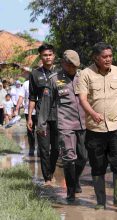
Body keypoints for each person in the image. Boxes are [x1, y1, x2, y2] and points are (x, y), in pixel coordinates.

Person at [76, 42, 117, 209]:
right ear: (96, 58)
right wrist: (93, 113)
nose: (108, 59)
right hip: (95, 128)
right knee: (98, 165)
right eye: (104, 57)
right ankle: (101, 201)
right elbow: (83, 99)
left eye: (110, 56)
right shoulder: (86, 74)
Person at [37, 50, 88, 202]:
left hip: (84, 123)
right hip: (65, 124)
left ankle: (75, 179)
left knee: (83, 157)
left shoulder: (84, 77)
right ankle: (70, 192)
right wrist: (41, 124)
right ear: (64, 64)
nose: (74, 69)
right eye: (71, 66)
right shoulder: (54, 79)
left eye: (76, 66)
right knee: (68, 157)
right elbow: (46, 104)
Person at [28, 43, 60, 186]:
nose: (48, 57)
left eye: (50, 54)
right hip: (42, 117)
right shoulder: (35, 74)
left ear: (54, 55)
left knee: (57, 148)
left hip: (59, 115)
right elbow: (32, 97)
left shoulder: (61, 72)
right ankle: (47, 178)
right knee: (44, 148)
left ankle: (50, 171)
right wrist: (29, 117)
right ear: (41, 57)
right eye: (45, 55)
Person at [15, 76, 37, 156]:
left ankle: (42, 149)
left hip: (41, 110)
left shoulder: (42, 82)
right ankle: (32, 147)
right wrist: (17, 108)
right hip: (29, 111)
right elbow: (21, 97)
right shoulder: (26, 84)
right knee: (30, 130)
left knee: (41, 130)